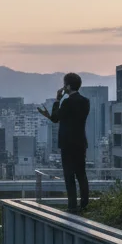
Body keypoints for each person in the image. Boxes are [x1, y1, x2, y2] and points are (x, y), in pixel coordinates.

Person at [38, 72, 90, 213]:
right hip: (81, 142)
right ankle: (85, 205)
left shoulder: (67, 102)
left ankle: (72, 206)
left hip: (67, 144)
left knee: (69, 175)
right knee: (81, 174)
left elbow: (55, 118)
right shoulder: (86, 101)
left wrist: (57, 100)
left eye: (64, 84)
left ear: (67, 86)